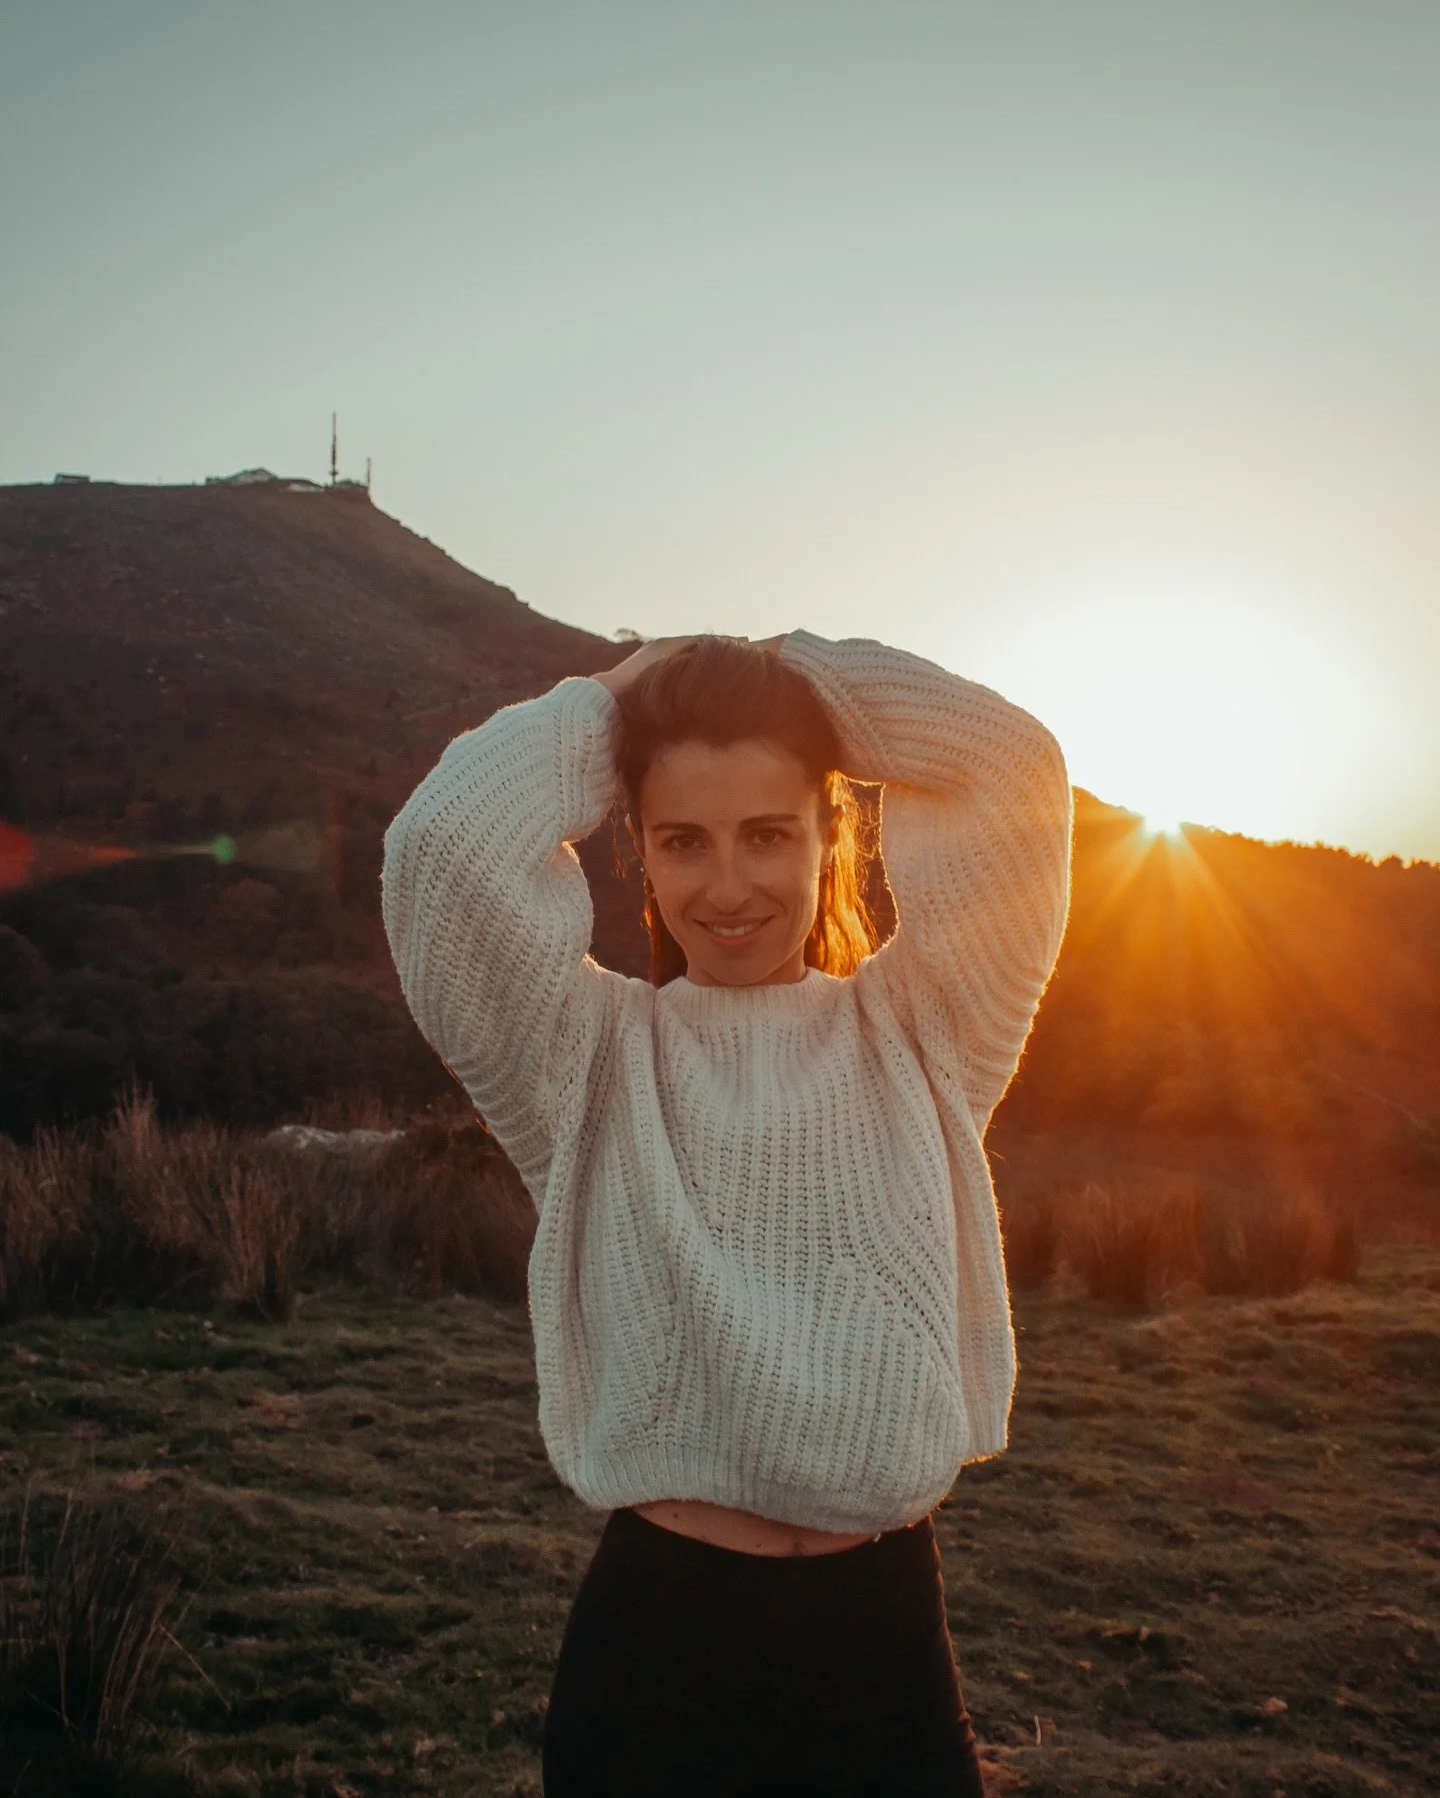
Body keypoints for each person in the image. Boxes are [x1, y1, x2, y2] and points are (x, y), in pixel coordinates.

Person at [382, 629, 1072, 1797]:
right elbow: (443, 849)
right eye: (682, 842)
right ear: (636, 856)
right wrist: (619, 697)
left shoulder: (926, 1032)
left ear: (832, 835)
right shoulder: (585, 1062)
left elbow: (1010, 768)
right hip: (661, 1663)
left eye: (769, 833)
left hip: (884, 1647)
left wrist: (789, 674)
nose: (730, 885)